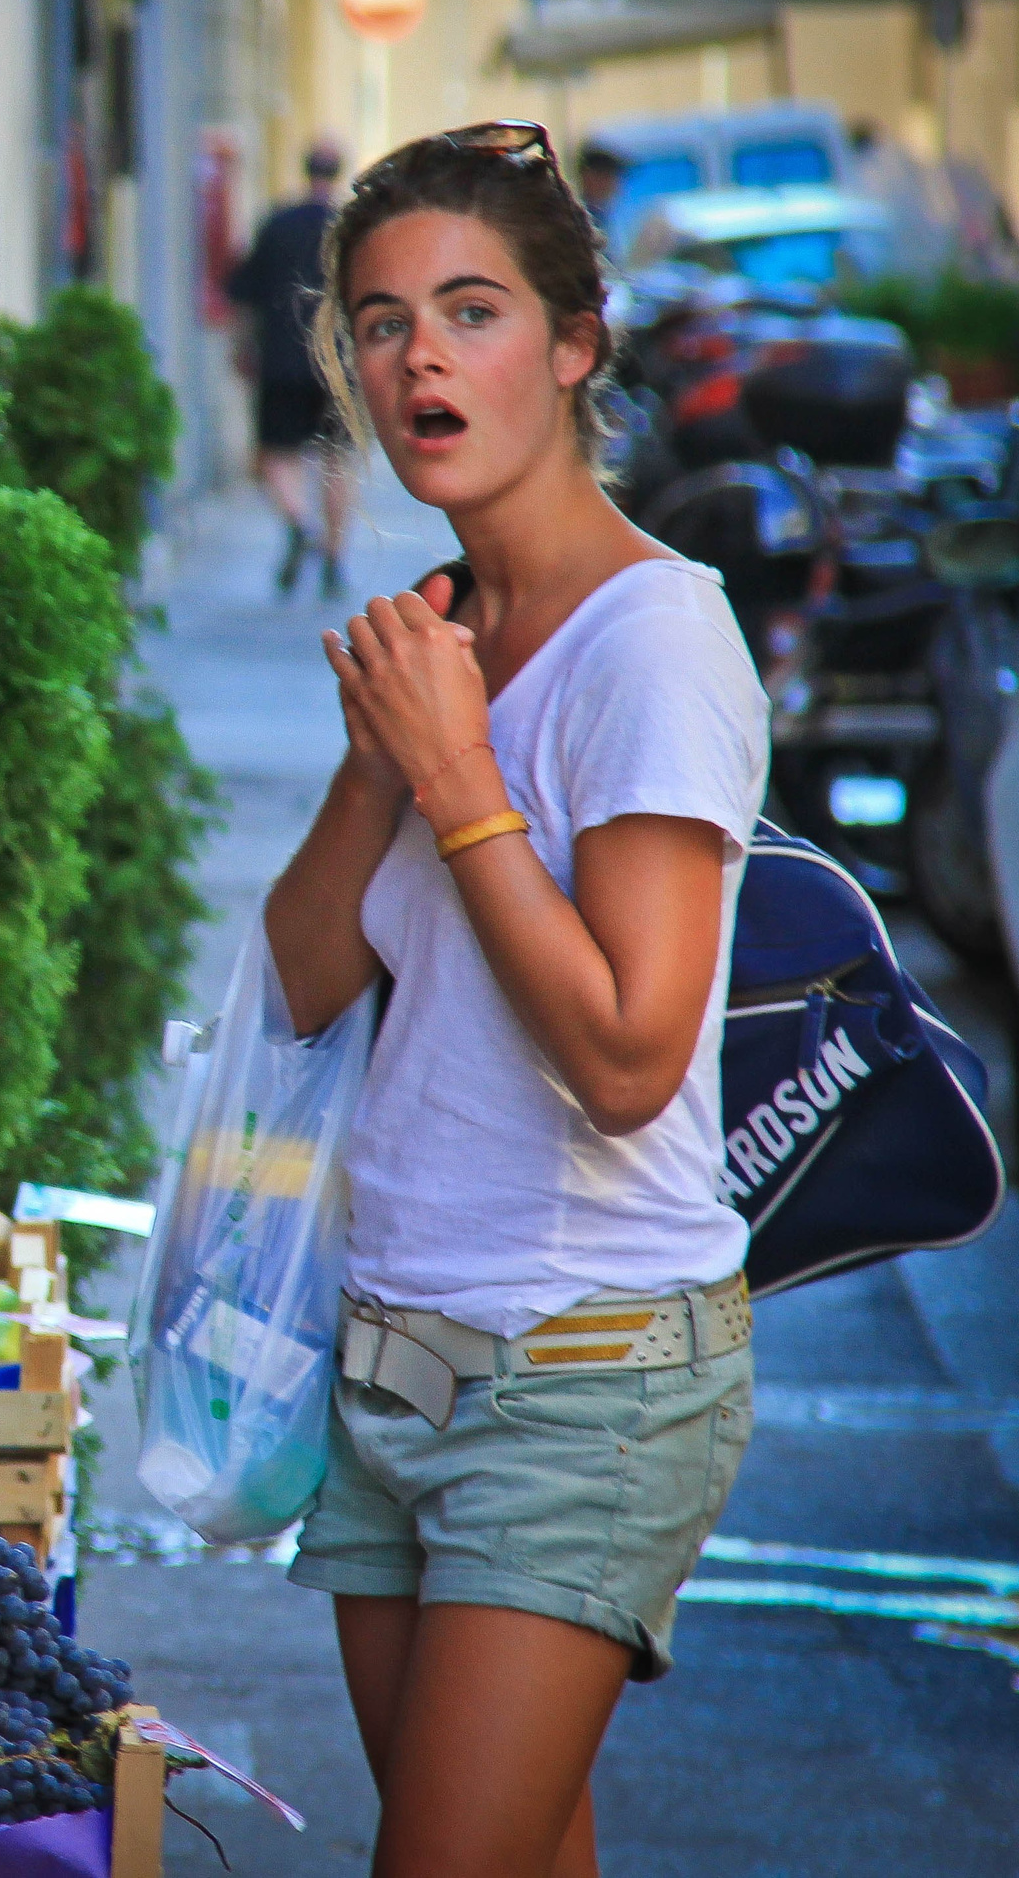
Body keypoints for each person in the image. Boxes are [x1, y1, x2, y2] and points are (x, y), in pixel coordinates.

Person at [263, 122, 767, 1877]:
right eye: (381, 320)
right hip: (395, 1345)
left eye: (470, 311)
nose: (419, 359)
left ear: (573, 341)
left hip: (583, 1368)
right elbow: (310, 972)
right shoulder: (442, 619)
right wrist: (383, 762)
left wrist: (463, 777)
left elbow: (631, 1057)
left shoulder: (657, 643)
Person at [226, 140, 352, 598]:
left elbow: (243, 292)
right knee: (337, 460)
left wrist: (242, 347)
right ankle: (335, 561)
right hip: (336, 363)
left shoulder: (275, 224)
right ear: (338, 172)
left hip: (279, 359)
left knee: (272, 457)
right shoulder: (348, 228)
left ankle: (299, 525)